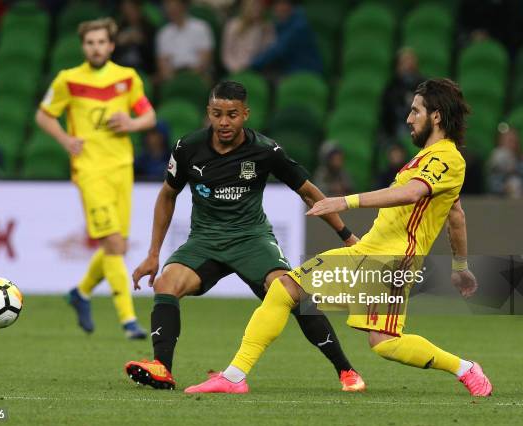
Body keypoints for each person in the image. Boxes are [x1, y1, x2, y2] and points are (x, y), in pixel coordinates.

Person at [185, 78, 493, 397]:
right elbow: (455, 214)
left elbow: (413, 193)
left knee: (385, 344)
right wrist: (459, 266)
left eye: (416, 111)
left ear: (437, 116)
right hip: (369, 253)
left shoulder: (447, 157)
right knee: (285, 288)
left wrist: (345, 201)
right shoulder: (426, 158)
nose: (409, 118)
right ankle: (235, 376)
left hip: (392, 261)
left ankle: (465, 368)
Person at [124, 81, 365, 392]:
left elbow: (308, 191)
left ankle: (346, 370)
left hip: (251, 238)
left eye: (232, 115)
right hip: (206, 240)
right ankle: (162, 368)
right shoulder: (187, 148)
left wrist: (346, 235)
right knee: (166, 283)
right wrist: (154, 253)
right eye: (217, 114)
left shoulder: (266, 150)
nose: (224, 122)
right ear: (208, 113)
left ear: (246, 114)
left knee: (291, 292)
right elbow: (167, 195)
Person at [35, 17, 157, 339]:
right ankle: (128, 320)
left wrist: (131, 124)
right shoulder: (68, 80)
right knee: (115, 245)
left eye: (101, 42)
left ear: (111, 45)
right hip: (89, 170)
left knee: (116, 243)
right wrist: (65, 140)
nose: (96, 47)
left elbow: (149, 116)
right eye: (90, 43)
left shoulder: (127, 78)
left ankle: (80, 292)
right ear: (83, 47)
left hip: (122, 167)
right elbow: (43, 115)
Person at [249, 0, 323, 77]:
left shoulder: (298, 26)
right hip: (291, 70)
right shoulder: (284, 24)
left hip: (306, 72)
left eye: (278, 5)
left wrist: (251, 65)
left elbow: (278, 50)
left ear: (287, 5)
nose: (275, 9)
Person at [156, 0, 215, 82]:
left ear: (183, 6)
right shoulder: (164, 33)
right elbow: (163, 64)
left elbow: (205, 60)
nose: (171, 9)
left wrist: (189, 77)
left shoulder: (201, 27)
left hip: (198, 74)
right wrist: (173, 79)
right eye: (168, 6)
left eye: (174, 6)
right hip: (174, 76)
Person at [221, 0, 275, 74]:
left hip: (257, 70)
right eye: (254, 6)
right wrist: (236, 69)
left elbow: (268, 52)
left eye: (259, 6)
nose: (257, 9)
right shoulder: (233, 25)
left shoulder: (266, 26)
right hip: (235, 69)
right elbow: (227, 54)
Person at [488, 126, 523, 197]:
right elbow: (492, 186)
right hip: (501, 202)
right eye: (508, 140)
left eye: (513, 140)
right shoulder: (496, 162)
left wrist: (517, 169)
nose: (511, 144)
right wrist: (504, 188)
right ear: (500, 142)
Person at [114, 0, 157, 74]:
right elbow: (112, 57)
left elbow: (153, 58)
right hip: (122, 69)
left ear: (139, 9)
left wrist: (141, 42)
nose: (129, 13)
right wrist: (119, 44)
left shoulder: (149, 29)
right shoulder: (119, 28)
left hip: (143, 70)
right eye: (126, 10)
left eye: (131, 9)